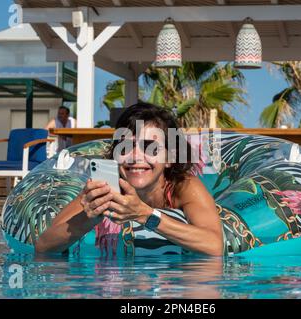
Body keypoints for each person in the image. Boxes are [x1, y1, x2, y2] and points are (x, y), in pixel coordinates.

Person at [35, 103, 223, 256]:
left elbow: (214, 245)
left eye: (150, 147)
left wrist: (143, 214)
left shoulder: (183, 186)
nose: (135, 157)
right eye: (125, 147)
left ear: (170, 158)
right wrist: (89, 217)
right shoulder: (107, 187)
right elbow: (43, 245)